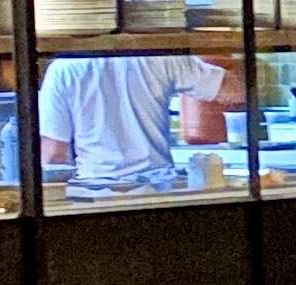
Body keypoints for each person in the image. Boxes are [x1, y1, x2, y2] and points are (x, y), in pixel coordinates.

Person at [37, 50, 241, 191]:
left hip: (94, 191)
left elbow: (54, 155)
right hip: (157, 189)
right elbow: (234, 90)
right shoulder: (157, 56)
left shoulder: (62, 70)